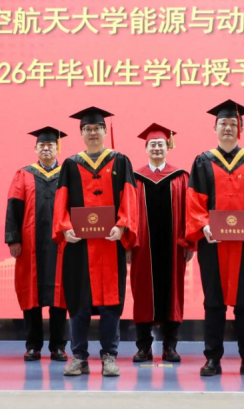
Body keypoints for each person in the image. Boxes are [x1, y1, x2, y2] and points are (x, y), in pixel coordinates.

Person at [186, 99, 244, 377]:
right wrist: (203, 225)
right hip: (212, 244)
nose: (228, 128)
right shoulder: (203, 161)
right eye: (223, 124)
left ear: (240, 129)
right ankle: (212, 359)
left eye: (232, 124)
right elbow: (194, 201)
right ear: (214, 128)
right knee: (213, 302)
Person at [53, 106, 138, 377]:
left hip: (109, 244)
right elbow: (61, 200)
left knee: (111, 303)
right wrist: (65, 228)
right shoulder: (70, 164)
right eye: (87, 129)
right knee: (78, 302)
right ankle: (78, 357)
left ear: (104, 131)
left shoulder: (120, 161)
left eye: (97, 128)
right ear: (81, 133)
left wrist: (122, 225)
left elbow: (129, 196)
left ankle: (109, 356)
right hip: (78, 246)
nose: (92, 133)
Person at [5, 126, 69, 362]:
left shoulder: (67, 173)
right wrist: (14, 239)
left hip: (61, 243)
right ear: (35, 148)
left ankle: (58, 346)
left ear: (57, 148)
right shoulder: (24, 174)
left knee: (60, 294)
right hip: (30, 244)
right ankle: (33, 345)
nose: (46, 148)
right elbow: (14, 206)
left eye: (50, 145)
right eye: (42, 145)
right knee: (30, 293)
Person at [130, 123, 191, 364]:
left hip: (174, 246)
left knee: (173, 293)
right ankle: (144, 347)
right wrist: (128, 244)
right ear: (146, 148)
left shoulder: (181, 177)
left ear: (168, 147)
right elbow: (129, 213)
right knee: (142, 293)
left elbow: (189, 212)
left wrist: (189, 243)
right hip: (142, 247)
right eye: (153, 144)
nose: (157, 148)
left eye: (161, 144)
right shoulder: (135, 178)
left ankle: (170, 347)